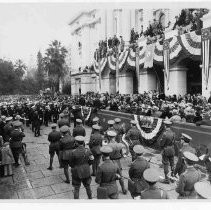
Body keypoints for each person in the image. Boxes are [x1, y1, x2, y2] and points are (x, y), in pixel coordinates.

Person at [107, 130, 127, 194]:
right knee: (120, 176)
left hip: (110, 162)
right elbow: (121, 154)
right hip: (118, 162)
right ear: (114, 137)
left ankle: (110, 190)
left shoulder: (108, 145)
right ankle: (123, 189)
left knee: (109, 176)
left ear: (109, 137)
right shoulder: (119, 145)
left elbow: (105, 156)